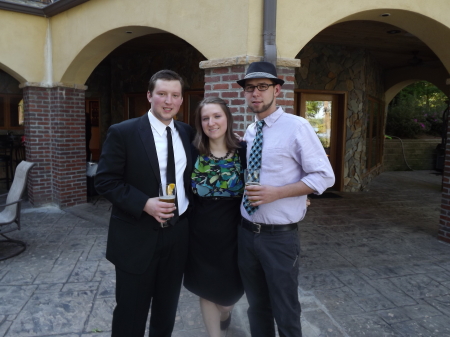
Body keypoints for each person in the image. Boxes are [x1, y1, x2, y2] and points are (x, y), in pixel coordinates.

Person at [236, 61, 335, 337]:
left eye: (262, 87)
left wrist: (278, 193)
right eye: (249, 88)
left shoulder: (297, 127)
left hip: (279, 238)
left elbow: (324, 177)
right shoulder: (250, 131)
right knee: (256, 307)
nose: (255, 93)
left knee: (286, 309)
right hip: (246, 233)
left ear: (277, 90)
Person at [95, 69, 194, 337]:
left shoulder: (187, 134)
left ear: (182, 100)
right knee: (130, 313)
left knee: (166, 310)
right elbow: (104, 181)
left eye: (175, 95)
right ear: (149, 96)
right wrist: (144, 204)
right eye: (162, 94)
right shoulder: (123, 132)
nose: (168, 101)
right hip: (135, 236)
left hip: (177, 234)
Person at [184, 97, 246, 337]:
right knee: (207, 290)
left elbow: (268, 175)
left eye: (217, 116)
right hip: (200, 233)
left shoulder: (243, 150)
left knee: (227, 300)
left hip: (235, 234)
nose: (211, 122)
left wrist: (297, 196)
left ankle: (226, 313)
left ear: (227, 119)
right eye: (205, 118)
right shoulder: (192, 151)